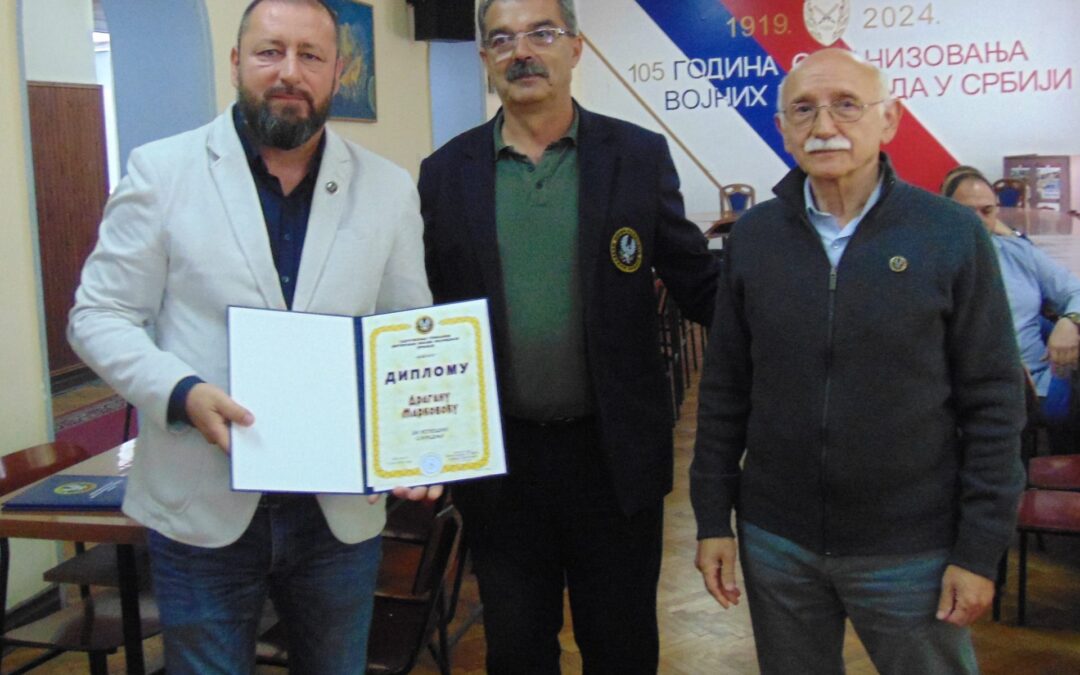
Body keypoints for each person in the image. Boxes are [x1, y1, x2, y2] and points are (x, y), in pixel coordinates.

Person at [67, 0, 434, 672]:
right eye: (270, 51)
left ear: (338, 72)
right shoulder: (162, 172)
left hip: (337, 515)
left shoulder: (387, 188)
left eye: (310, 55)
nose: (289, 71)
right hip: (202, 507)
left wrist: (419, 441)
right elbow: (97, 314)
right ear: (236, 62)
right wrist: (181, 391)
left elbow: (406, 330)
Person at [691, 48, 1026, 675]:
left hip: (912, 548)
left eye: (847, 105)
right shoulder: (754, 238)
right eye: (804, 110)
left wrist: (979, 549)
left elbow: (994, 402)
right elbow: (725, 390)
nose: (824, 125)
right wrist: (713, 518)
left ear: (888, 119)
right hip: (777, 542)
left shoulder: (951, 234)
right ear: (783, 128)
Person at [418, 0, 718, 671]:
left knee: (622, 648)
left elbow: (699, 284)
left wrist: (792, 307)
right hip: (502, 467)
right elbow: (421, 310)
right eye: (502, 39)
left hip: (613, 459)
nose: (522, 51)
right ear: (485, 58)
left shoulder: (637, 156)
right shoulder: (444, 173)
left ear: (576, 48)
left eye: (541, 33)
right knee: (517, 651)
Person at [945, 167, 1080, 454]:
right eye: (967, 212)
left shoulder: (1017, 253)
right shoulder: (927, 266)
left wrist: (1070, 321)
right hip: (974, 386)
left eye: (987, 211)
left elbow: (1075, 290)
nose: (978, 221)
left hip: (1040, 380)